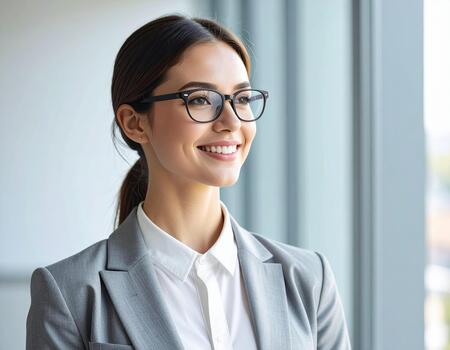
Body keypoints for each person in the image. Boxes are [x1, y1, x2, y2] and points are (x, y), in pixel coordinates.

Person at [26, 14, 351, 350]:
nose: (230, 121)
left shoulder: (308, 279)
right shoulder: (70, 293)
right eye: (199, 100)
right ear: (134, 122)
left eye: (241, 99)